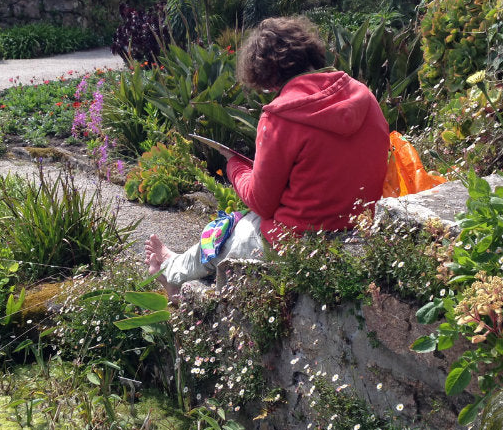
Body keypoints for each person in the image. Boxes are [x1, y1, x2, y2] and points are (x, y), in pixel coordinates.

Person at [145, 16, 390, 294]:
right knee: (239, 222)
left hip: (298, 241)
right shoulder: (364, 97)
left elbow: (261, 203)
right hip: (358, 230)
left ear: (267, 76)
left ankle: (170, 269)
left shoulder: (281, 115)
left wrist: (234, 166)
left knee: (226, 230)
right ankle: (174, 269)